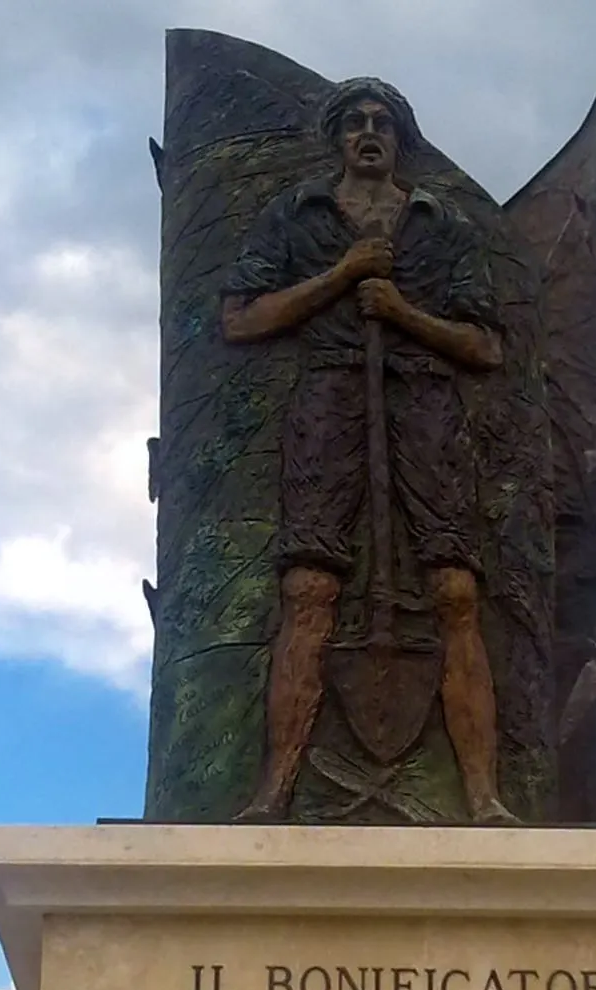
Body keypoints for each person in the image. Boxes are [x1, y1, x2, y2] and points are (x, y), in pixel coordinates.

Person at [222, 78, 514, 822]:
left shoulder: (439, 226)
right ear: (336, 139)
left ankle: (483, 797)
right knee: (309, 591)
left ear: (401, 139)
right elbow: (242, 320)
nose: (369, 131)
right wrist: (342, 275)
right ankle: (275, 791)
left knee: (455, 591)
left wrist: (404, 313)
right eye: (355, 121)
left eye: (384, 121)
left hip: (425, 405)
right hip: (329, 400)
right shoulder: (298, 216)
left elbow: (484, 345)